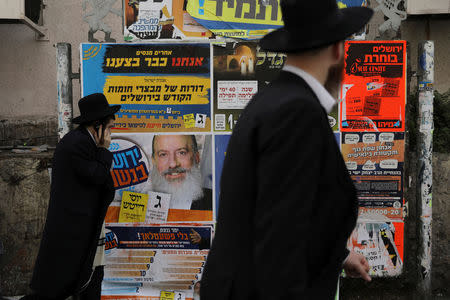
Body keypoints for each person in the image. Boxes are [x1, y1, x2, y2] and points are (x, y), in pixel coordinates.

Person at [201, 1, 373, 299]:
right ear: (337, 50)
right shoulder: (297, 112)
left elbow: (289, 215)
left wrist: (338, 256)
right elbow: (280, 241)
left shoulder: (274, 101)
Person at [25, 93, 120, 299]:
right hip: (71, 232)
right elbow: (98, 176)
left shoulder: (86, 142)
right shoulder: (76, 144)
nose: (111, 133)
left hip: (84, 230)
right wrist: (104, 149)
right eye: (110, 127)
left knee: (90, 280)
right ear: (97, 125)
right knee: (54, 288)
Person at [150, 135, 212, 210]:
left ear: (196, 157)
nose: (173, 164)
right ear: (153, 161)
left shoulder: (216, 201)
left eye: (182, 153)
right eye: (163, 154)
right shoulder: (141, 201)